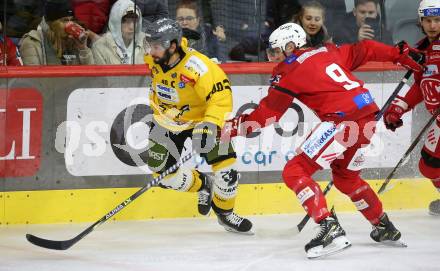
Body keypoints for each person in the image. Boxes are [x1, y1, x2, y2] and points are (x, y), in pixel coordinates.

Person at [221, 22, 423, 258]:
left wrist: (228, 129)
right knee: (346, 178)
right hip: (367, 117)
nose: (274, 57)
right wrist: (400, 54)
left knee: (294, 171)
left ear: (290, 46)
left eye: (276, 50)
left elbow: (266, 115)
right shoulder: (329, 51)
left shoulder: (288, 70)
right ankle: (383, 226)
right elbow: (366, 48)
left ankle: (329, 228)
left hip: (342, 121)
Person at [143, 18, 253, 234]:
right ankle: (204, 184)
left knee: (227, 170)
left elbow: (220, 97)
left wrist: (211, 125)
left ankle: (226, 213)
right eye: (150, 45)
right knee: (163, 175)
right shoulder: (153, 59)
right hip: (166, 120)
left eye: (156, 46)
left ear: (172, 46)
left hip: (202, 120)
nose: (150, 51)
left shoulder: (199, 66)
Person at [383, 0, 440, 216]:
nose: (433, 25)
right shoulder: (423, 48)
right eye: (428, 20)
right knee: (429, 166)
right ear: (421, 21)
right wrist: (399, 108)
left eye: (437, 20)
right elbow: (419, 85)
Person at [19, 0, 94, 65]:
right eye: (64, 20)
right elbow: (33, 79)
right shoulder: (32, 42)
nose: (70, 24)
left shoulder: (73, 40)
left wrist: (83, 48)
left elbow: (91, 77)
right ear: (51, 23)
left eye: (71, 20)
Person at [92, 0, 145, 64]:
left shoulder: (144, 44)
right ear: (115, 22)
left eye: (135, 21)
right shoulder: (100, 47)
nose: (131, 27)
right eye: (125, 21)